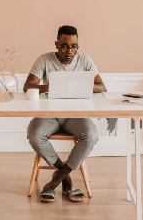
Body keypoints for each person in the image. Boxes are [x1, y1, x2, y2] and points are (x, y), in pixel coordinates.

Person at [23, 25, 107, 202]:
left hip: (76, 115)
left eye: (74, 46)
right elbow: (28, 86)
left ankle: (53, 184)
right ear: (56, 44)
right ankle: (64, 177)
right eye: (64, 46)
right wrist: (53, 86)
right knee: (34, 134)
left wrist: (80, 87)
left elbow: (102, 87)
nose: (69, 51)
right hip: (49, 114)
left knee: (90, 135)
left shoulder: (85, 61)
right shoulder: (44, 60)